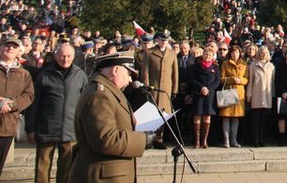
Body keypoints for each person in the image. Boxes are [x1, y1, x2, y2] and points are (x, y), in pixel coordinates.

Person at [69, 51, 155, 182]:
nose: (130, 79)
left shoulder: (109, 91)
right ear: (115, 70)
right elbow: (105, 139)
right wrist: (143, 140)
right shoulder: (100, 95)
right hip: (104, 176)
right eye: (128, 74)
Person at [25, 43, 87, 183]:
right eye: (62, 56)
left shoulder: (80, 75)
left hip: (70, 130)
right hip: (46, 129)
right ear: (55, 56)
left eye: (68, 56)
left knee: (67, 169)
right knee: (42, 168)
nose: (65, 59)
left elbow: (85, 103)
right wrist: (30, 129)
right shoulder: (44, 75)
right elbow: (34, 104)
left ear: (73, 56)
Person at [0, 36, 35, 177]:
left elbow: (29, 96)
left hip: (7, 126)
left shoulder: (24, 74)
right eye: (6, 45)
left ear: (19, 52)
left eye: (13, 46)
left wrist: (11, 104)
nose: (9, 48)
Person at [141, 31, 179, 149]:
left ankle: (159, 139)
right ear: (157, 40)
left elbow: (175, 73)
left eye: (166, 40)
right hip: (154, 87)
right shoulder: (149, 52)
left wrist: (174, 90)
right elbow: (145, 72)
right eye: (161, 40)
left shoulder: (172, 53)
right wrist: (146, 86)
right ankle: (149, 139)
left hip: (166, 89)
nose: (163, 42)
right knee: (152, 114)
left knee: (164, 115)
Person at [189, 47, 221, 148]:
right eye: (206, 54)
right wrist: (201, 88)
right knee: (197, 117)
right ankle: (197, 141)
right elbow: (191, 79)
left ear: (212, 57)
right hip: (198, 94)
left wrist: (209, 89)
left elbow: (217, 81)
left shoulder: (215, 67)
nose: (207, 57)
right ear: (203, 55)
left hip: (209, 95)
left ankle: (204, 141)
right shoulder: (195, 66)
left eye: (210, 55)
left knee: (207, 118)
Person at [219, 45, 248, 148]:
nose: (234, 54)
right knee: (226, 117)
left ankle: (234, 140)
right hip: (228, 92)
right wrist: (231, 79)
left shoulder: (244, 64)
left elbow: (246, 79)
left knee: (236, 118)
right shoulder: (225, 64)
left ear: (240, 53)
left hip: (239, 93)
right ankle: (226, 141)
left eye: (236, 52)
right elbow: (222, 78)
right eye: (232, 52)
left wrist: (240, 80)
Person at [246, 46, 275, 147]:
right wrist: (248, 94)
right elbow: (250, 81)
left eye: (266, 52)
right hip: (256, 95)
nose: (264, 54)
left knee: (263, 120)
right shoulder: (253, 65)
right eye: (262, 52)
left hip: (267, 95)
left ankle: (262, 139)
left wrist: (273, 95)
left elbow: (272, 82)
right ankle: (255, 140)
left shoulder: (271, 66)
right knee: (255, 120)